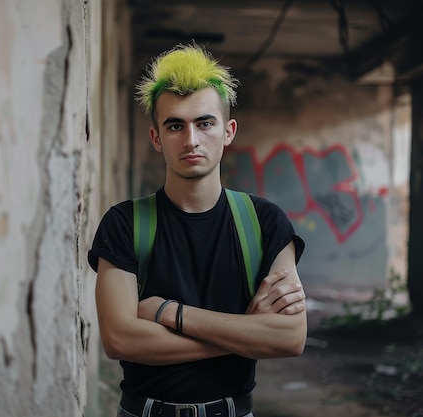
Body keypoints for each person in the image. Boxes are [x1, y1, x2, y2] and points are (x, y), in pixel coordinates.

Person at [88, 44, 307, 417]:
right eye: (175, 125)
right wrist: (246, 334)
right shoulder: (124, 223)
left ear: (227, 131)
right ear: (156, 137)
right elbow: (120, 339)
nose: (191, 140)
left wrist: (170, 313)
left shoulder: (264, 222)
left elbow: (289, 337)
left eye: (205, 123)